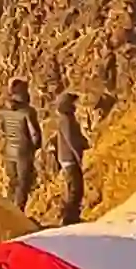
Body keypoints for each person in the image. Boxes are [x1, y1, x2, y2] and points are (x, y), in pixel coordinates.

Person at [0, 80, 44, 211]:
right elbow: (34, 134)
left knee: (13, 182)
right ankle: (19, 212)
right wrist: (36, 146)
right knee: (23, 183)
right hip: (23, 151)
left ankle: (8, 212)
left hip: (9, 151)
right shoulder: (28, 112)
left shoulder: (3, 112)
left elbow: (2, 130)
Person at [47, 90, 87, 227]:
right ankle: (70, 218)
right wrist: (79, 156)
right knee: (76, 189)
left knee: (73, 188)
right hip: (69, 158)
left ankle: (71, 216)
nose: (76, 106)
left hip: (66, 158)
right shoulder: (67, 120)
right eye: (73, 103)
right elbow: (71, 140)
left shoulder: (64, 119)